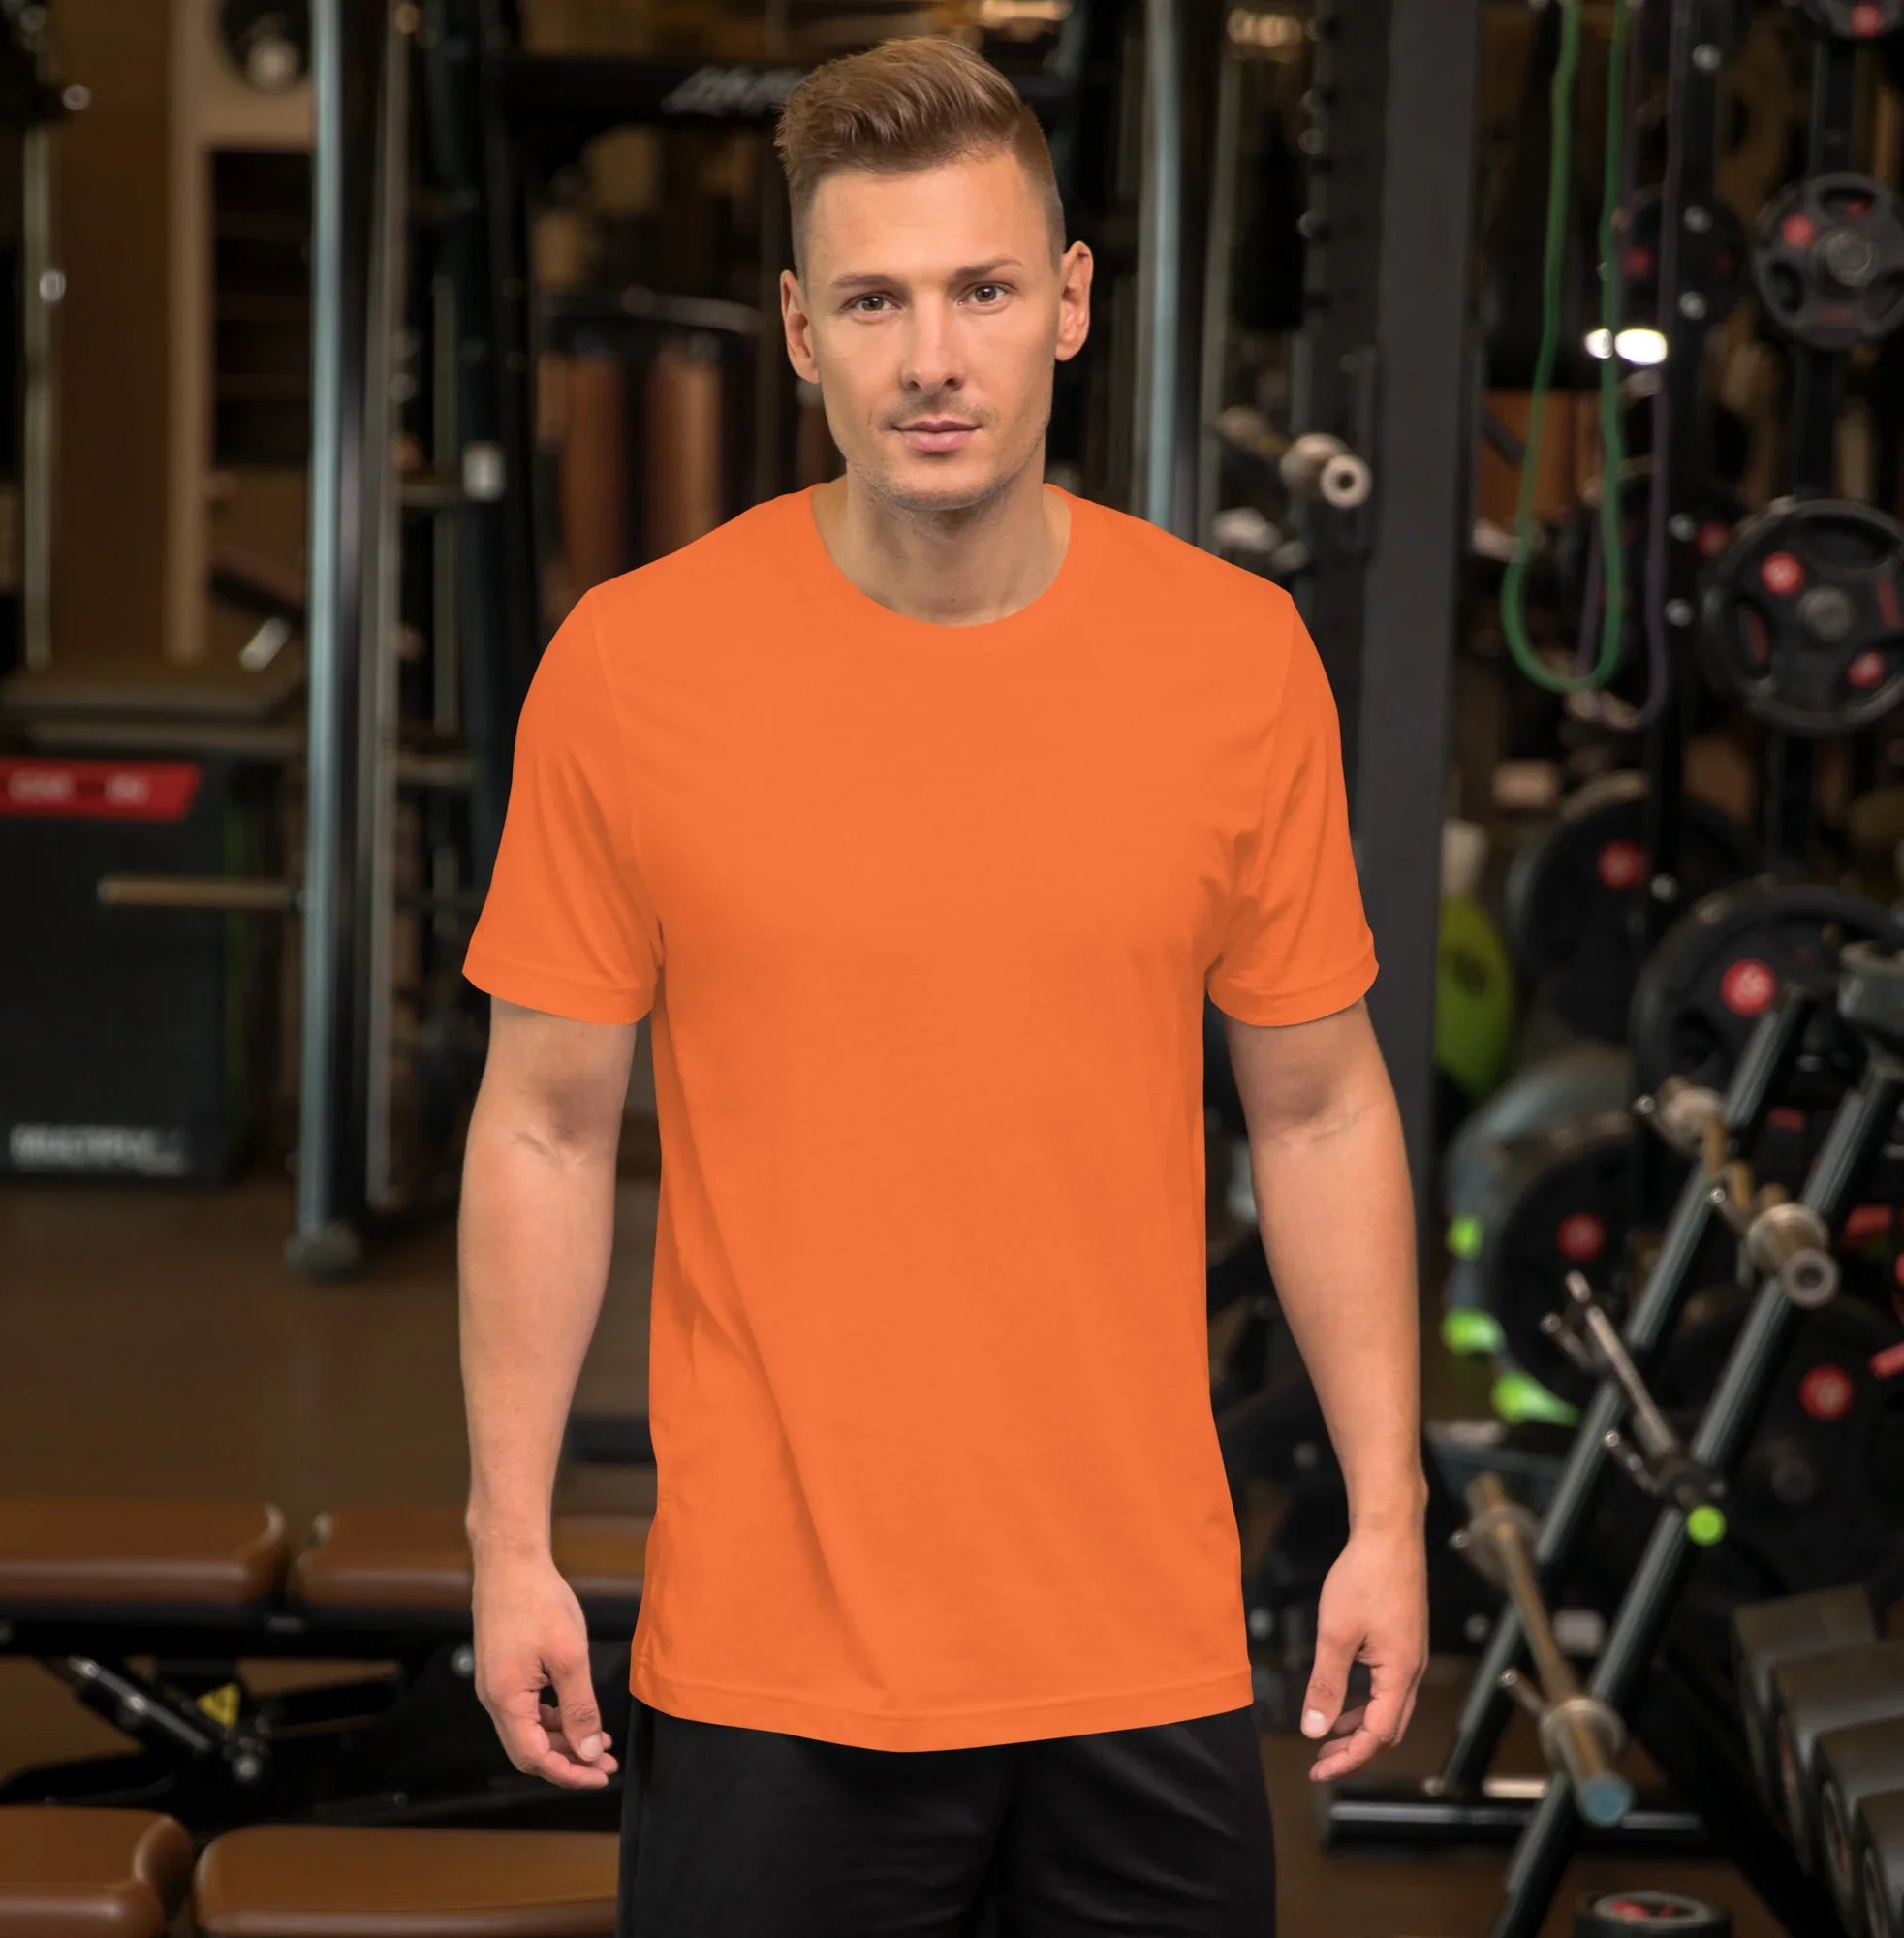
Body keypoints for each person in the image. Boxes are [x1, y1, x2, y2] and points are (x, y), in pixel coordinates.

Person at [458, 32, 1425, 1937]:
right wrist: (509, 1540)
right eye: (878, 301)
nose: (932, 359)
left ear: (1067, 306)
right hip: (769, 1666)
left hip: (1136, 1655)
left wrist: (1383, 1516)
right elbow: (547, 1124)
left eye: (982, 289)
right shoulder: (634, 669)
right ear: (800, 329)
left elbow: (1318, 1103)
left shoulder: (1233, 662)